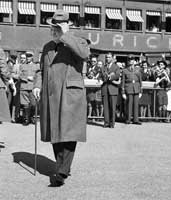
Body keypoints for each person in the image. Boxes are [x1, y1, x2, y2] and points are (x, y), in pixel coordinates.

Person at [33, 10, 90, 187]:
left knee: (69, 131)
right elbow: (41, 70)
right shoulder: (47, 47)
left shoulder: (78, 41)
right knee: (54, 132)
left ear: (65, 27)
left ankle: (62, 171)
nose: (54, 31)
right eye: (52, 28)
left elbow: (83, 54)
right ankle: (61, 166)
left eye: (57, 28)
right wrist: (37, 85)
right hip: (51, 95)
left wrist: (67, 34)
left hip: (70, 94)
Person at [100, 52, 121, 128]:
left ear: (112, 58)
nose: (107, 59)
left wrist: (111, 77)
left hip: (113, 88)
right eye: (106, 57)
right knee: (105, 106)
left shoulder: (116, 67)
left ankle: (112, 123)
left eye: (109, 57)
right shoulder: (103, 67)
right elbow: (101, 75)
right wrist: (104, 77)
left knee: (112, 107)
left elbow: (117, 75)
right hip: (105, 88)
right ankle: (106, 122)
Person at [19, 51, 39, 126]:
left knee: (33, 104)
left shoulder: (36, 66)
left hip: (32, 88)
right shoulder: (22, 66)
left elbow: (39, 76)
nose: (28, 58)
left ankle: (32, 118)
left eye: (30, 56)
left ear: (32, 57)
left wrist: (33, 78)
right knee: (25, 105)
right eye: (27, 56)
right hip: (24, 87)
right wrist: (26, 78)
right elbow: (19, 76)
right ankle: (26, 119)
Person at [121, 56, 142, 125]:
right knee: (129, 104)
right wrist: (123, 92)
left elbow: (140, 81)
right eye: (129, 60)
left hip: (136, 88)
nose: (131, 61)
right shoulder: (125, 70)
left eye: (132, 60)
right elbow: (123, 82)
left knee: (136, 104)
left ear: (134, 61)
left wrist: (141, 91)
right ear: (128, 61)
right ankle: (128, 119)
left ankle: (136, 119)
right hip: (129, 88)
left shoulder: (138, 69)